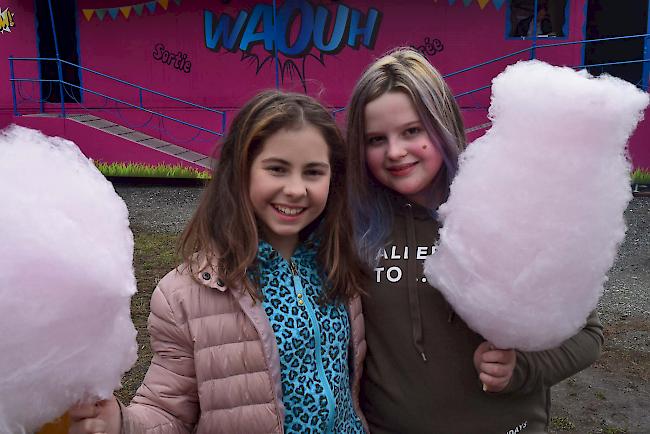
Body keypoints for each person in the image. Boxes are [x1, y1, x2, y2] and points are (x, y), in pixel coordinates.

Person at [68, 90, 369, 434]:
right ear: (240, 172)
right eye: (277, 169)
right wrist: (121, 423)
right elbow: (166, 411)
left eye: (313, 172)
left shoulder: (341, 267)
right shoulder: (183, 295)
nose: (296, 189)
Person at [345, 47, 603, 433]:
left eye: (412, 131)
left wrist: (522, 367)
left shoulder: (504, 210)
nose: (395, 151)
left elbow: (588, 336)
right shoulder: (354, 226)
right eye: (376, 139)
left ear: (441, 124)